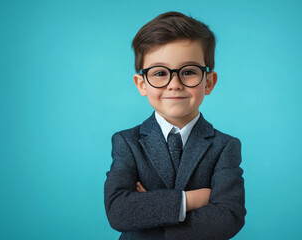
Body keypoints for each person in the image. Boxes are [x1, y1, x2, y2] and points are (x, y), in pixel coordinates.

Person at [104, 11, 245, 240]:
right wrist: (193, 199)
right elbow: (119, 212)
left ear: (208, 82)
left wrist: (149, 212)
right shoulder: (126, 142)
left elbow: (228, 217)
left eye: (188, 72)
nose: (174, 84)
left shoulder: (225, 146)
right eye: (160, 73)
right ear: (142, 84)